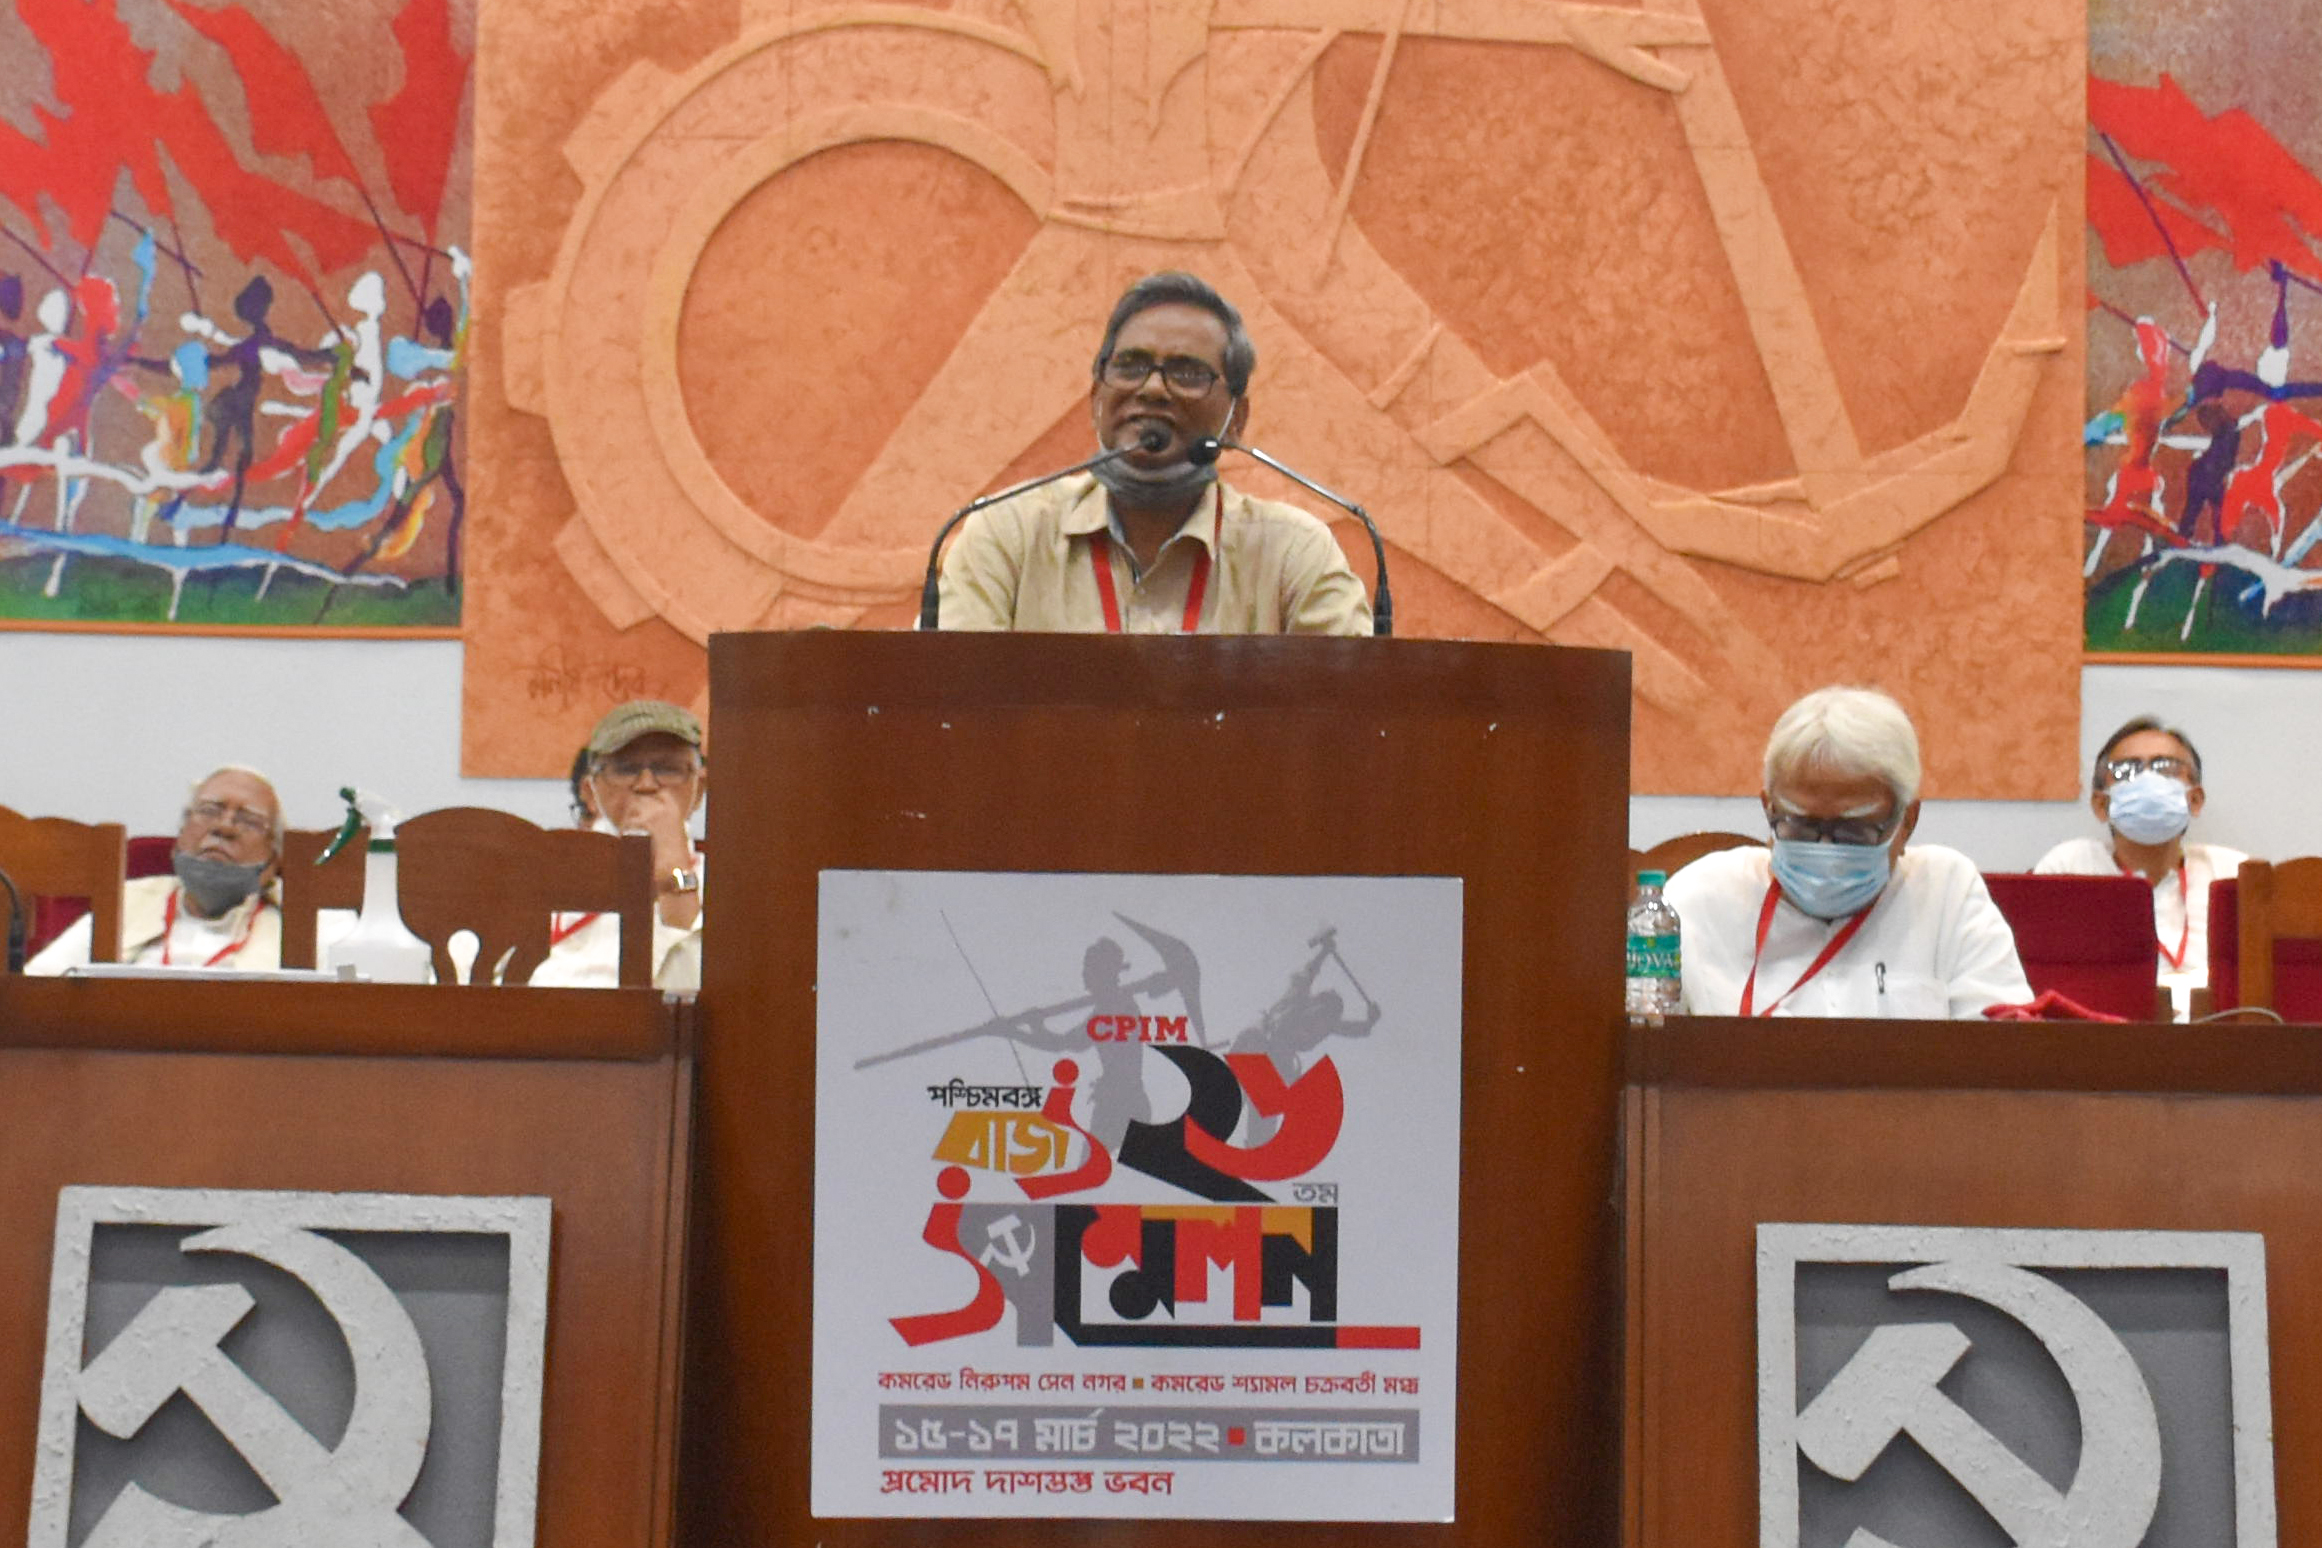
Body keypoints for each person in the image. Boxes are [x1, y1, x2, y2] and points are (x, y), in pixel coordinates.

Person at [934, 272, 1372, 634]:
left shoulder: (1291, 551)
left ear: (1236, 418)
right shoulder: (1009, 533)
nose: (1153, 389)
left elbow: (1355, 704)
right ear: (1096, 399)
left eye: (1187, 373)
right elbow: (944, 699)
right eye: (1131, 367)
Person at [1663, 687, 2030, 1018]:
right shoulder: (1696, 900)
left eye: (1854, 830)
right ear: (1768, 807)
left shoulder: (1947, 892)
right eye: (1801, 825)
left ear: (1907, 821)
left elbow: (2006, 1051)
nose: (1826, 850)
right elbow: (1645, 1048)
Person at [2033, 716, 2245, 1004]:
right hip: (2105, 1025)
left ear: (2195, 800)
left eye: (2166, 768)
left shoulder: (2232, 872)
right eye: (2126, 770)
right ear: (2101, 804)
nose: (2148, 780)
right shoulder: (2070, 868)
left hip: (2216, 1027)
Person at [29, 766, 285, 973]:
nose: (224, 827)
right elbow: (40, 987)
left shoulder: (296, 926)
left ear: (272, 861)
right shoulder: (124, 903)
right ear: (181, 834)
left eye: (248, 821)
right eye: (209, 811)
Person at [532, 700, 706, 991]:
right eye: (626, 769)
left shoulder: (732, 882)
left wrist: (675, 871)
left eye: (668, 769)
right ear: (590, 791)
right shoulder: (544, 867)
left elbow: (695, 981)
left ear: (698, 790)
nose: (646, 785)